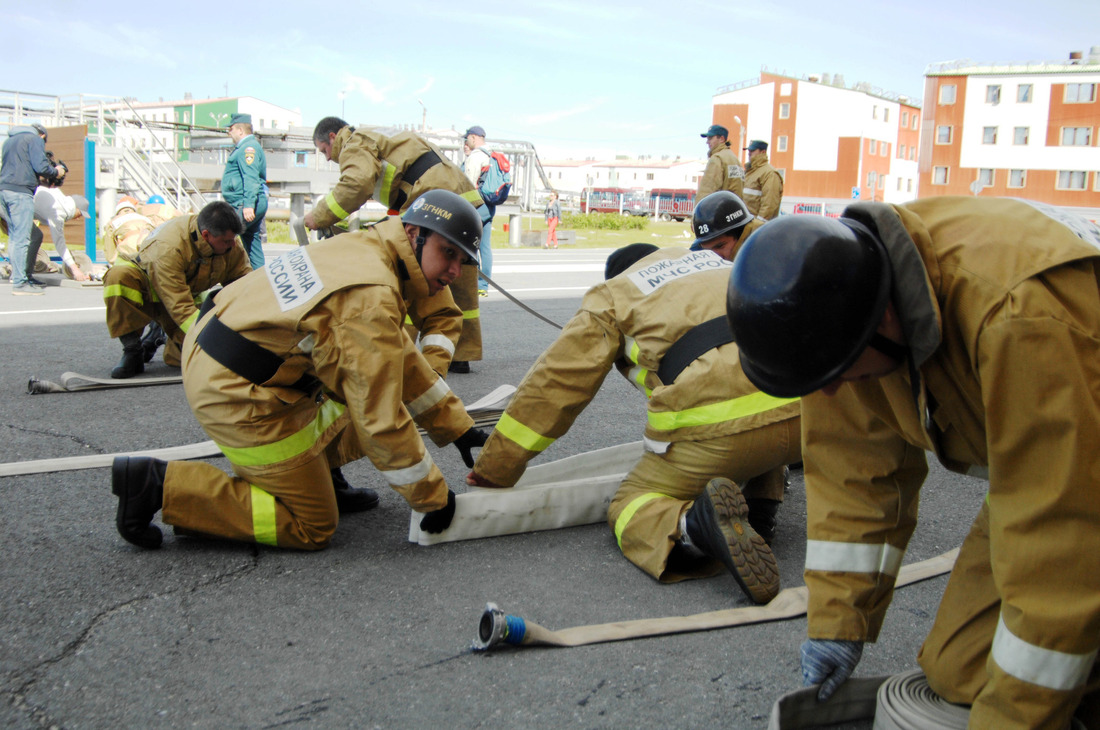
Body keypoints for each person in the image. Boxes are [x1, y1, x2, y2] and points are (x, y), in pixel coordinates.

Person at [724, 197, 1100, 727]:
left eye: (837, 372)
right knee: (961, 674)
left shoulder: (1020, 318)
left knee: (1047, 664)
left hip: (1085, 471)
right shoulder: (842, 321)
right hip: (1049, 473)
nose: (829, 391)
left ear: (884, 316)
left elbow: (1062, 538)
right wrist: (838, 620)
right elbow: (854, 478)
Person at [110, 190, 489, 550]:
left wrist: (458, 428)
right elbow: (380, 417)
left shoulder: (368, 247)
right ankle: (159, 487)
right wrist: (433, 498)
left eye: (463, 261)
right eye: (448, 253)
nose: (455, 270)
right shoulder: (370, 297)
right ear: (413, 234)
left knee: (357, 393)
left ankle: (316, 474)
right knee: (313, 524)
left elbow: (401, 359)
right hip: (232, 388)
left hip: (223, 351)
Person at [467, 242, 801, 605]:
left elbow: (556, 387)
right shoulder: (720, 264)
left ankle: (693, 526)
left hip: (716, 430)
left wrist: (496, 467)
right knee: (764, 390)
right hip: (806, 407)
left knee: (630, 504)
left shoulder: (614, 294)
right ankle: (762, 510)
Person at [304, 116, 484, 374]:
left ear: (334, 136)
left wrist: (318, 216)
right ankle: (460, 354)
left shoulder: (355, 142)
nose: (329, 158)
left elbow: (356, 184)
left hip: (429, 199)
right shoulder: (376, 132)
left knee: (411, 273)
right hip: (456, 193)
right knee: (458, 275)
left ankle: (397, 349)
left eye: (325, 151)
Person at [102, 200, 252, 379]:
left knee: (193, 360)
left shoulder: (228, 242)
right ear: (206, 235)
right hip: (152, 293)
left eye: (234, 239)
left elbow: (245, 286)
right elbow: (179, 306)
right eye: (227, 241)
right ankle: (133, 351)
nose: (233, 245)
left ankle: (161, 337)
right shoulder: (169, 247)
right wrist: (213, 338)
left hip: (179, 297)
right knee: (118, 278)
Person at [0, 122, 66, 295]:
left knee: (15, 237)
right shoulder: (35, 139)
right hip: (20, 193)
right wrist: (56, 171)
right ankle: (21, 283)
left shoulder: (9, 141)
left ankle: (20, 277)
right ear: (42, 135)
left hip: (4, 191)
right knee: (23, 237)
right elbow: (41, 167)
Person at [29, 153, 94, 281]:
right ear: (76, 208)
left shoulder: (57, 194)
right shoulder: (58, 212)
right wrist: (75, 269)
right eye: (79, 214)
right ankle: (22, 275)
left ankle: (22, 272)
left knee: (30, 235)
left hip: (12, 202)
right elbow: (59, 244)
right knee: (34, 236)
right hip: (11, 206)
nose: (76, 218)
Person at [221, 113, 268, 269]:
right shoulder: (245, 147)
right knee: (252, 246)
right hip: (247, 202)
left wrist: (248, 204)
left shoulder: (248, 149)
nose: (229, 132)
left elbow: (251, 177)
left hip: (244, 203)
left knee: (221, 239)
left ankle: (226, 281)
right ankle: (261, 280)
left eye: (231, 128)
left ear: (240, 130)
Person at [461, 125, 494, 296]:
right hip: (489, 206)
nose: (466, 142)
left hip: (476, 206)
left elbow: (468, 184)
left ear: (473, 137)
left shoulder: (475, 157)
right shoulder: (491, 154)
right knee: (485, 247)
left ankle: (470, 282)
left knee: (468, 244)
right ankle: (484, 286)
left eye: (467, 138)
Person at [688, 191, 763, 257]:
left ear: (741, 235)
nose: (715, 257)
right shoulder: (699, 250)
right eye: (707, 251)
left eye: (720, 246)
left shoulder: (766, 250)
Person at [697, 124, 744, 201]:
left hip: (718, 209)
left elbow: (707, 190)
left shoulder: (717, 159)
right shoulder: (735, 159)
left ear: (721, 139)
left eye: (710, 138)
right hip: (734, 208)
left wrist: (698, 209)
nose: (707, 142)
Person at [101, 197, 154, 265]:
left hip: (129, 249)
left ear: (118, 212)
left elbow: (110, 252)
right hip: (149, 249)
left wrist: (113, 262)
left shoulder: (113, 222)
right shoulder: (146, 219)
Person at [741, 140, 783, 221]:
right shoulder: (750, 172)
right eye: (749, 150)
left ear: (763, 152)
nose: (749, 153)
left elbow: (769, 205)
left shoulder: (769, 174)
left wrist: (758, 225)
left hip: (756, 227)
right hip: (747, 224)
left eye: (753, 150)